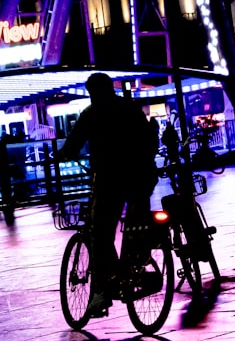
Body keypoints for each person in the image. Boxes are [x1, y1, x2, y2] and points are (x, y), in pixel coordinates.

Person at [57, 73, 159, 317]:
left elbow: (72, 145)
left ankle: (105, 289)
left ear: (92, 92)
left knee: (101, 233)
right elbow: (148, 138)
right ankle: (139, 258)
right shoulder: (130, 107)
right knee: (138, 222)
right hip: (141, 175)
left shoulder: (92, 113)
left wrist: (63, 154)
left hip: (110, 179)